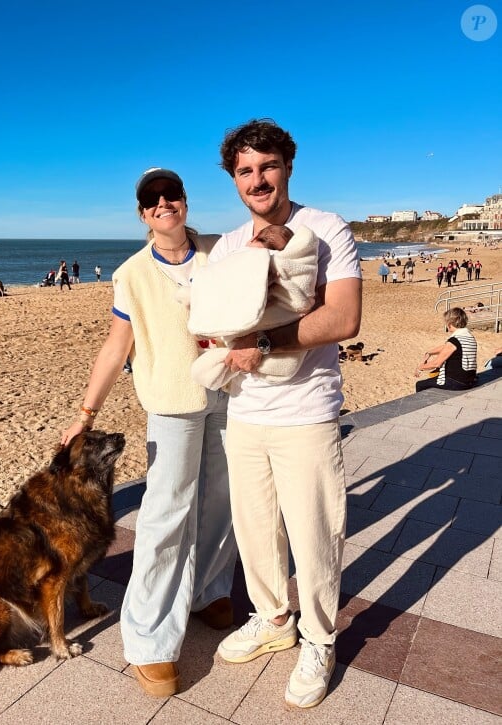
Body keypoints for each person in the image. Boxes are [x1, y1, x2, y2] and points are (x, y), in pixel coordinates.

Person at [60, 167, 237, 698]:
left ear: (184, 202)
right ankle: (149, 640)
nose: (164, 204)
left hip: (228, 395)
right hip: (172, 404)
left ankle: (209, 590)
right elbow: (117, 347)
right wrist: (85, 414)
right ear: (143, 214)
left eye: (171, 195)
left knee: (219, 501)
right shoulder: (132, 274)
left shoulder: (219, 250)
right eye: (152, 200)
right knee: (166, 514)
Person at [209, 119, 362, 709]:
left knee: (315, 533)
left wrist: (265, 342)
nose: (257, 179)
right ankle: (273, 619)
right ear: (234, 179)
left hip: (306, 413)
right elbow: (215, 319)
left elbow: (343, 319)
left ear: (287, 167)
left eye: (266, 166)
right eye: (245, 171)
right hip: (245, 410)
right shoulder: (226, 245)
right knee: (255, 530)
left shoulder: (325, 228)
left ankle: (319, 640)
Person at [187, 223, 318, 390]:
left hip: (309, 391)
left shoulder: (238, 253)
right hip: (242, 399)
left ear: (254, 238)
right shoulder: (226, 243)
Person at [414, 307, 477, 391]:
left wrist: (420, 367)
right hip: (469, 379)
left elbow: (436, 363)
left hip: (458, 382)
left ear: (450, 324)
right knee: (434, 377)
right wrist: (429, 353)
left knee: (420, 385)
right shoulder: (468, 336)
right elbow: (446, 347)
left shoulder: (455, 340)